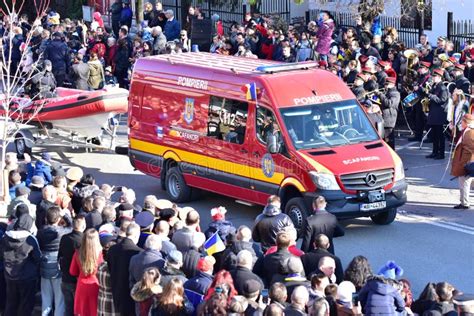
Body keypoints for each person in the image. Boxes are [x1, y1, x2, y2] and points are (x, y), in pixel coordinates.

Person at [0, 214, 41, 316]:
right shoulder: (30, 239)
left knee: (11, 303)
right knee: (26, 304)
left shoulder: (5, 237)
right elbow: (38, 257)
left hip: (9, 276)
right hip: (27, 277)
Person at [37, 206, 72, 316]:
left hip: (44, 265)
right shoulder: (63, 232)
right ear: (58, 219)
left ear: (47, 219)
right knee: (59, 299)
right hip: (57, 266)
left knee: (46, 297)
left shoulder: (40, 231)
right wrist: (65, 215)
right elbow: (72, 226)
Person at [107, 222, 142, 316]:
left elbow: (110, 269)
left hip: (116, 293)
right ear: (136, 235)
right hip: (131, 298)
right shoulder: (138, 253)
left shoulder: (112, 249)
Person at [69, 228, 104, 316]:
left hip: (82, 286)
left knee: (82, 312)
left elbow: (72, 271)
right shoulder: (101, 254)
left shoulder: (77, 253)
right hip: (96, 286)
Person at [58, 215, 86, 316]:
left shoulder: (64, 238)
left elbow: (59, 256)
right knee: (78, 310)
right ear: (83, 226)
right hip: (78, 280)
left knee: (68, 308)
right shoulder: (84, 241)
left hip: (66, 278)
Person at [451, 114, 474, 209]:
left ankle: (464, 203)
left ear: (466, 122)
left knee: (464, 183)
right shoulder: (467, 131)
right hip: (469, 163)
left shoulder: (469, 133)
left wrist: (464, 164)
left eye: (462, 122)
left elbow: (469, 150)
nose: (461, 123)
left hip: (468, 163)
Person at [377, 76, 400, 149]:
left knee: (389, 140)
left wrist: (380, 95)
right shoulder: (387, 92)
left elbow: (389, 103)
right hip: (384, 117)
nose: (385, 86)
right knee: (384, 139)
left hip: (389, 118)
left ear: (393, 84)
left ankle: (392, 155)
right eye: (385, 84)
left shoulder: (395, 93)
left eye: (387, 84)